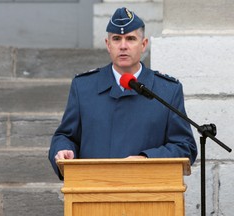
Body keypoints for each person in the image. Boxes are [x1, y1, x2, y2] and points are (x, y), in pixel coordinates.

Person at [48, 7, 197, 179]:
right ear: (108, 45)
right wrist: (62, 150)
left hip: (148, 192)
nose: (123, 46)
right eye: (117, 39)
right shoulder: (84, 87)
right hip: (94, 190)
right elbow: (65, 136)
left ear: (143, 44)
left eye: (131, 39)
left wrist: (146, 159)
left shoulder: (167, 91)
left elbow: (184, 147)